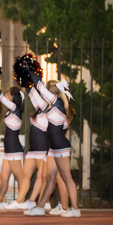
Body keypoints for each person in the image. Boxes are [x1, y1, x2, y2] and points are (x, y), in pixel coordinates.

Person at [24, 74, 80, 217]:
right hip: (52, 149)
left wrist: (31, 71)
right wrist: (26, 80)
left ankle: (75, 209)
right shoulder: (50, 106)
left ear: (52, 93)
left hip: (60, 147)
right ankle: (40, 207)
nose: (44, 95)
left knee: (66, 177)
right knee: (49, 177)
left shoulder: (58, 104)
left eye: (47, 92)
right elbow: (35, 95)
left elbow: (40, 88)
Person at [5, 86, 48, 209]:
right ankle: (20, 201)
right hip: (32, 150)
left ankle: (43, 202)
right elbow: (33, 96)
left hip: (42, 149)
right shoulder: (39, 110)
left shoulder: (47, 109)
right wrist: (27, 83)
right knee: (26, 176)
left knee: (42, 177)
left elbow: (35, 96)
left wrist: (31, 84)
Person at [0, 78, 24, 209]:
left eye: (9, 93)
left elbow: (1, 97)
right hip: (9, 150)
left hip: (14, 150)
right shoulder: (12, 110)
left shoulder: (15, 108)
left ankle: (21, 201)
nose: (6, 95)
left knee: (20, 177)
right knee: (4, 178)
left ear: (14, 97)